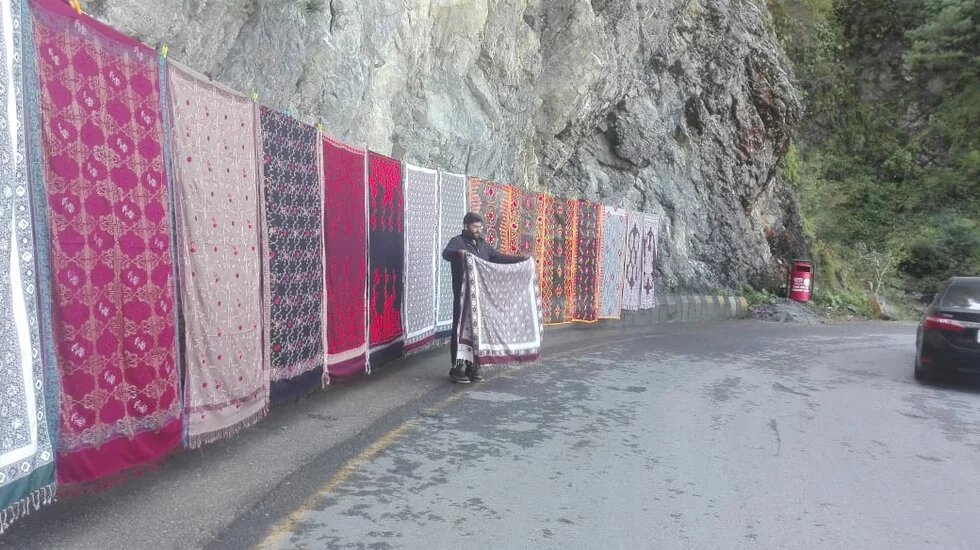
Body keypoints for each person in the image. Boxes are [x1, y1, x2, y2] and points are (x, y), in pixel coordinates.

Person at [442, 212, 526, 383]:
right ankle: (457, 367)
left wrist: (521, 259)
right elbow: (446, 254)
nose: (478, 230)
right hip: (463, 296)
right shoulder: (457, 241)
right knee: (460, 330)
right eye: (475, 227)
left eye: (480, 227)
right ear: (466, 226)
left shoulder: (483, 245)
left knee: (478, 331)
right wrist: (460, 254)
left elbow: (499, 258)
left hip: (480, 297)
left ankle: (474, 366)